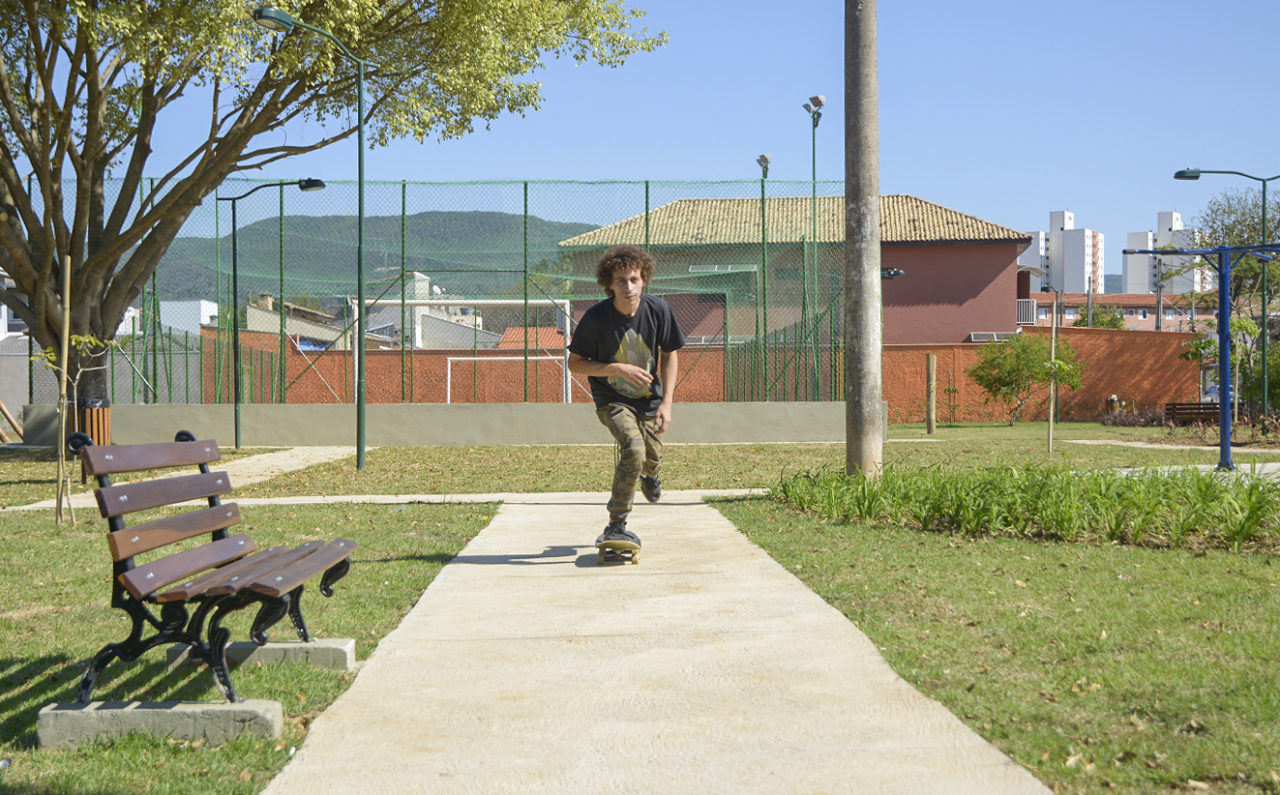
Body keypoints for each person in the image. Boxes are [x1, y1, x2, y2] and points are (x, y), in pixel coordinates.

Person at [567, 244, 686, 549]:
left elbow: (671, 354)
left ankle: (651, 474)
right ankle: (616, 525)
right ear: (609, 283)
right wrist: (616, 368)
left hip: (649, 400)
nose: (628, 287)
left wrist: (667, 402)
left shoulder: (658, 310)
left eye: (634, 279)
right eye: (620, 281)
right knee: (633, 449)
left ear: (644, 278)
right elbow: (575, 364)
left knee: (651, 457)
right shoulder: (596, 318)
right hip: (612, 399)